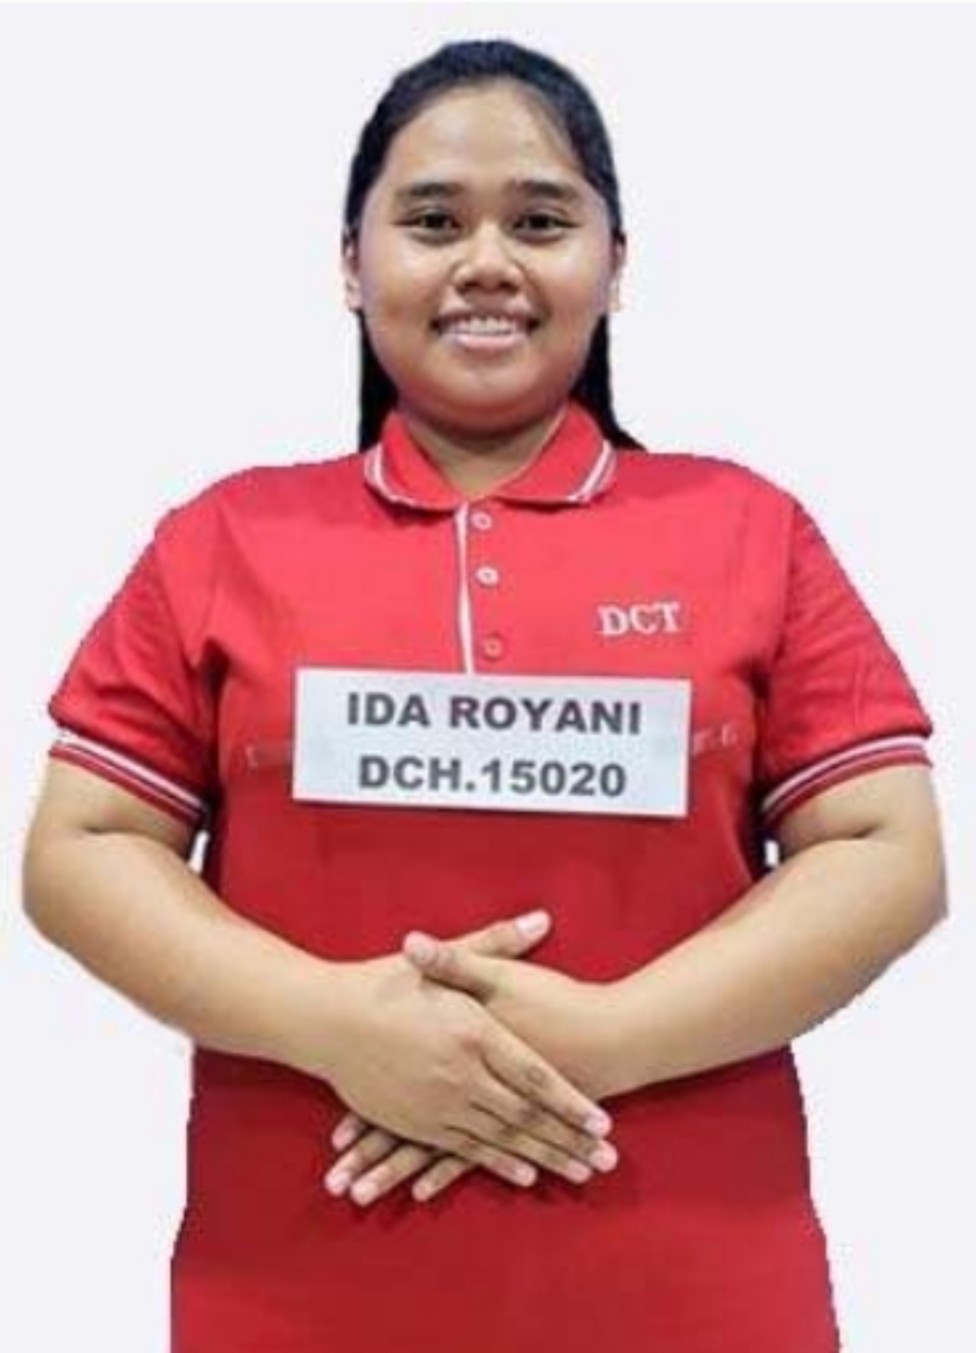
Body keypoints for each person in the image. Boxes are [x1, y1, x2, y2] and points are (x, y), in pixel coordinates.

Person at [22, 36, 945, 1353]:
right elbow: (82, 847)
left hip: (693, 1286)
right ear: (353, 263)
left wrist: (613, 1037)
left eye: (543, 221)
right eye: (434, 221)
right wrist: (336, 1025)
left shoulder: (750, 529)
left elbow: (888, 849)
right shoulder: (222, 539)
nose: (489, 262)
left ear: (615, 264)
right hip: (297, 1286)